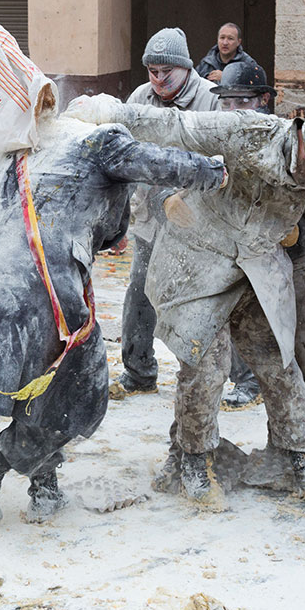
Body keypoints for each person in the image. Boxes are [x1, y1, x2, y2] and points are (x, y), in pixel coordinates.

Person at [0, 106, 227, 526]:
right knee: (81, 394)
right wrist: (211, 170)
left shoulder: (25, 147)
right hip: (39, 285)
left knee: (38, 386)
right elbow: (160, 164)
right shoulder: (101, 139)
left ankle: (45, 489)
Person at [65, 94, 305, 512]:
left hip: (254, 267)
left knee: (279, 363)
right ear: (303, 145)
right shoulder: (249, 131)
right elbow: (177, 127)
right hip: (199, 261)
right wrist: (112, 113)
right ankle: (193, 461)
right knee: (206, 369)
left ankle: (301, 459)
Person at [212, 62, 305, 408]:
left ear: (264, 100)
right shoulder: (216, 142)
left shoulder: (294, 144)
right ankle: (246, 381)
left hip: (290, 265)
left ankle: (295, 426)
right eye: (227, 103)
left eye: (242, 103)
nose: (234, 112)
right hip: (240, 263)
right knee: (240, 334)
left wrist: (299, 234)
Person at [112, 28, 219, 399]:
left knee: (208, 297)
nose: (158, 80)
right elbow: (122, 157)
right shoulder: (141, 98)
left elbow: (222, 160)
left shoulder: (210, 99)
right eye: (152, 71)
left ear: (185, 68)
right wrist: (120, 217)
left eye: (166, 72)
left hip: (198, 220)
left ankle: (216, 378)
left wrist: (185, 196)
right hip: (149, 217)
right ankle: (138, 370)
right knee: (141, 291)